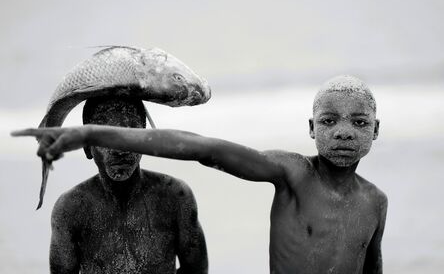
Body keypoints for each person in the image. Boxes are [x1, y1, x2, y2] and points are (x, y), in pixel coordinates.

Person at [13, 75, 387, 274]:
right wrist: (90, 132)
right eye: (328, 121)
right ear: (311, 128)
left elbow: (372, 266)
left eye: (358, 122)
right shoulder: (292, 174)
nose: (343, 132)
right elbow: (204, 149)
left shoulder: (375, 202)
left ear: (375, 130)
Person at [32, 96, 208, 274]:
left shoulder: (175, 197)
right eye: (106, 137)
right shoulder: (72, 208)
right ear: (87, 148)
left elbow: (197, 270)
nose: (120, 149)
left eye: (130, 134)